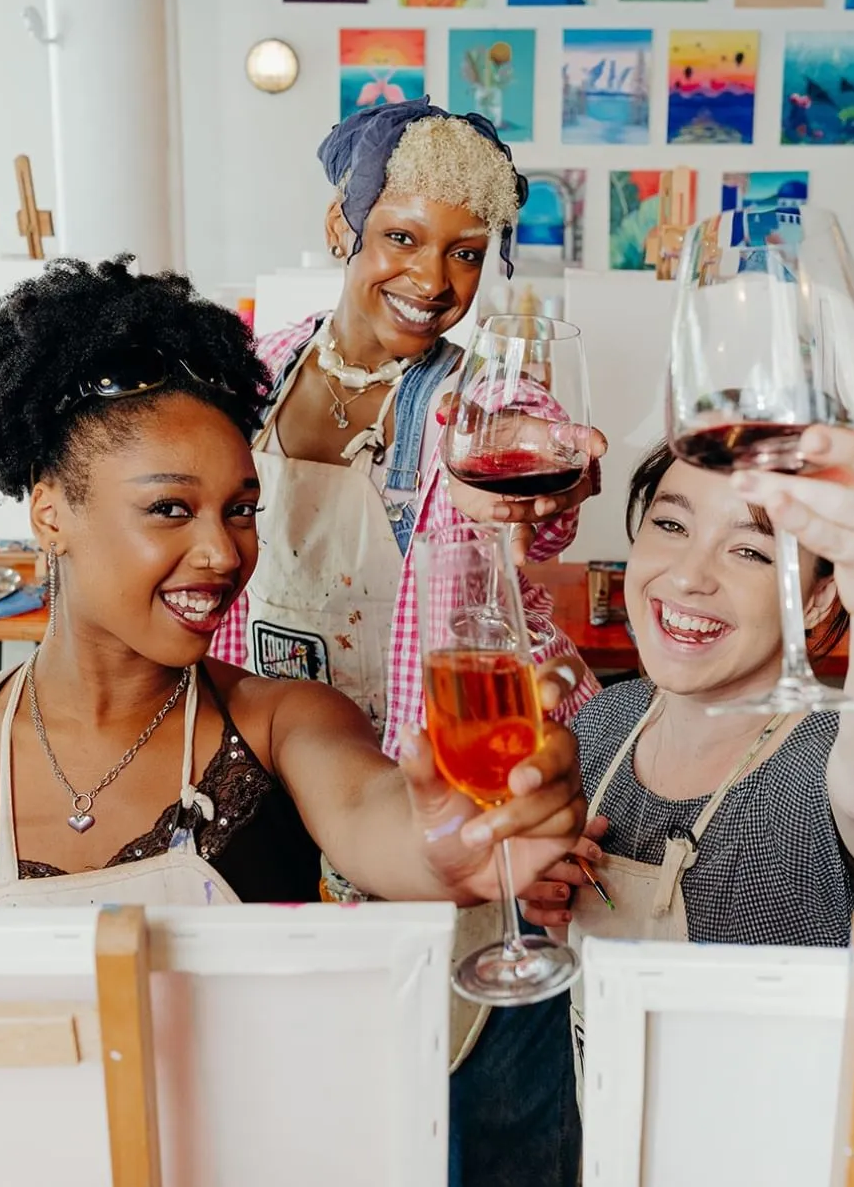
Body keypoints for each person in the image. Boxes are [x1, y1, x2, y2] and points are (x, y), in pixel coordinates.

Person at [0, 257, 585, 924]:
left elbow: (374, 814)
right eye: (170, 509)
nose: (222, 553)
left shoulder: (286, 722)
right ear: (50, 514)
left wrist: (447, 848)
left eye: (240, 510)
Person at [212, 97, 603, 1186]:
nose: (433, 280)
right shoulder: (256, 371)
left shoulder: (482, 396)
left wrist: (555, 481)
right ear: (342, 227)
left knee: (486, 1103)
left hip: (445, 792)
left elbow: (540, 482)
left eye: (467, 253)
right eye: (402, 237)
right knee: (310, 1100)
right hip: (282, 783)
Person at [520, 330, 854, 1080]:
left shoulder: (823, 763)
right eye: (670, 524)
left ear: (822, 594)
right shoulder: (600, 725)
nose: (690, 576)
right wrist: (536, 885)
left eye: (751, 550)